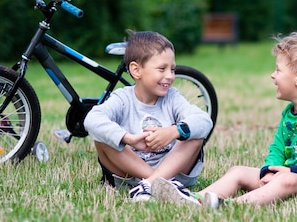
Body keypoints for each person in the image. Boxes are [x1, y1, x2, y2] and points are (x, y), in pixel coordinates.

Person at [151, 31, 297, 207]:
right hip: (286, 173)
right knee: (238, 171)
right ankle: (195, 200)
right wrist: (269, 171)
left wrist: (291, 171)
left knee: (286, 182)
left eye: (278, 70)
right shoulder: (290, 111)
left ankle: (228, 205)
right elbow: (278, 148)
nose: (273, 75)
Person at [84, 30, 213, 202]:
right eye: (162, 69)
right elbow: (91, 119)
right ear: (136, 70)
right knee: (102, 138)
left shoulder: (172, 98)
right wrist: (127, 138)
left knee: (195, 135)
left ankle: (150, 185)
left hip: (175, 171)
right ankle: (160, 185)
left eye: (172, 69)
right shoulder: (122, 98)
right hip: (130, 173)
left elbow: (205, 120)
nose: (170, 76)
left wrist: (174, 131)